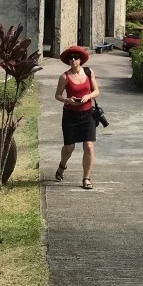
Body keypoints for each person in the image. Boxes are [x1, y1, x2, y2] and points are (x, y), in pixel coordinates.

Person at [53, 45, 99, 189]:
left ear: (81, 60)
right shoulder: (64, 77)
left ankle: (86, 178)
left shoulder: (88, 72)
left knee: (89, 146)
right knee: (69, 147)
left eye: (76, 57)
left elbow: (97, 91)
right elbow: (57, 95)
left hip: (87, 114)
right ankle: (62, 166)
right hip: (70, 115)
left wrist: (88, 96)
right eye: (71, 58)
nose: (73, 60)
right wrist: (67, 100)